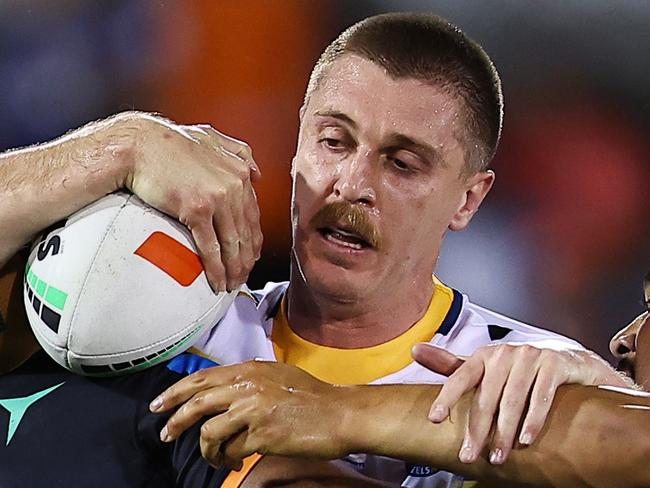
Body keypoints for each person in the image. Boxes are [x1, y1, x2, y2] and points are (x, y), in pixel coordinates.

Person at [0, 11, 626, 487]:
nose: (352, 185)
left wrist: (585, 391)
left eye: (402, 164)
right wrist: (123, 146)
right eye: (333, 141)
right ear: (295, 147)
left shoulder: (528, 377)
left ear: (467, 200)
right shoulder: (164, 322)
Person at [147, 271, 650, 487]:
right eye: (333, 142)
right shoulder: (192, 331)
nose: (623, 339)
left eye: (404, 163)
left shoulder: (539, 355)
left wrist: (336, 411)